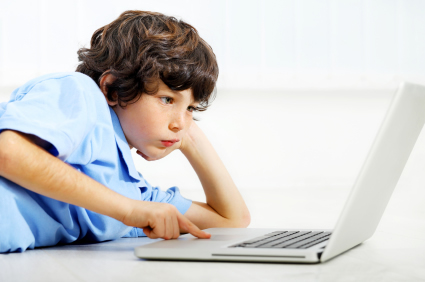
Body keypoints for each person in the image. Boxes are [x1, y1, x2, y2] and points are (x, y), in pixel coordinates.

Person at [0, 10, 250, 253]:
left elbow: (233, 220)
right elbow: (8, 152)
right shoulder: (81, 94)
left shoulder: (131, 191)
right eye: (166, 99)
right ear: (112, 90)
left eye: (191, 108)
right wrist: (128, 210)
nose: (180, 123)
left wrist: (189, 139)